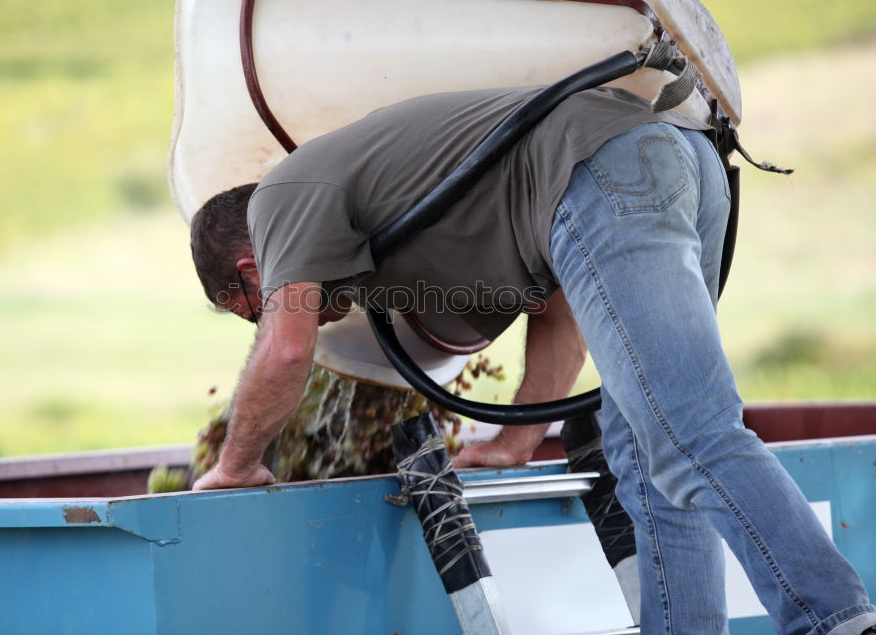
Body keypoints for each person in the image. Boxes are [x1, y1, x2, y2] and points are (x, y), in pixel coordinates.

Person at [188, 84, 876, 634]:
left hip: (609, 169)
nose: (279, 312)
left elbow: (284, 350)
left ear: (250, 269)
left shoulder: (281, 199)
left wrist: (236, 464)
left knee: (687, 432)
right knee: (643, 453)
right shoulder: (395, 235)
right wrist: (515, 440)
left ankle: (833, 617)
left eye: (253, 306)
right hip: (665, 165)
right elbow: (562, 311)